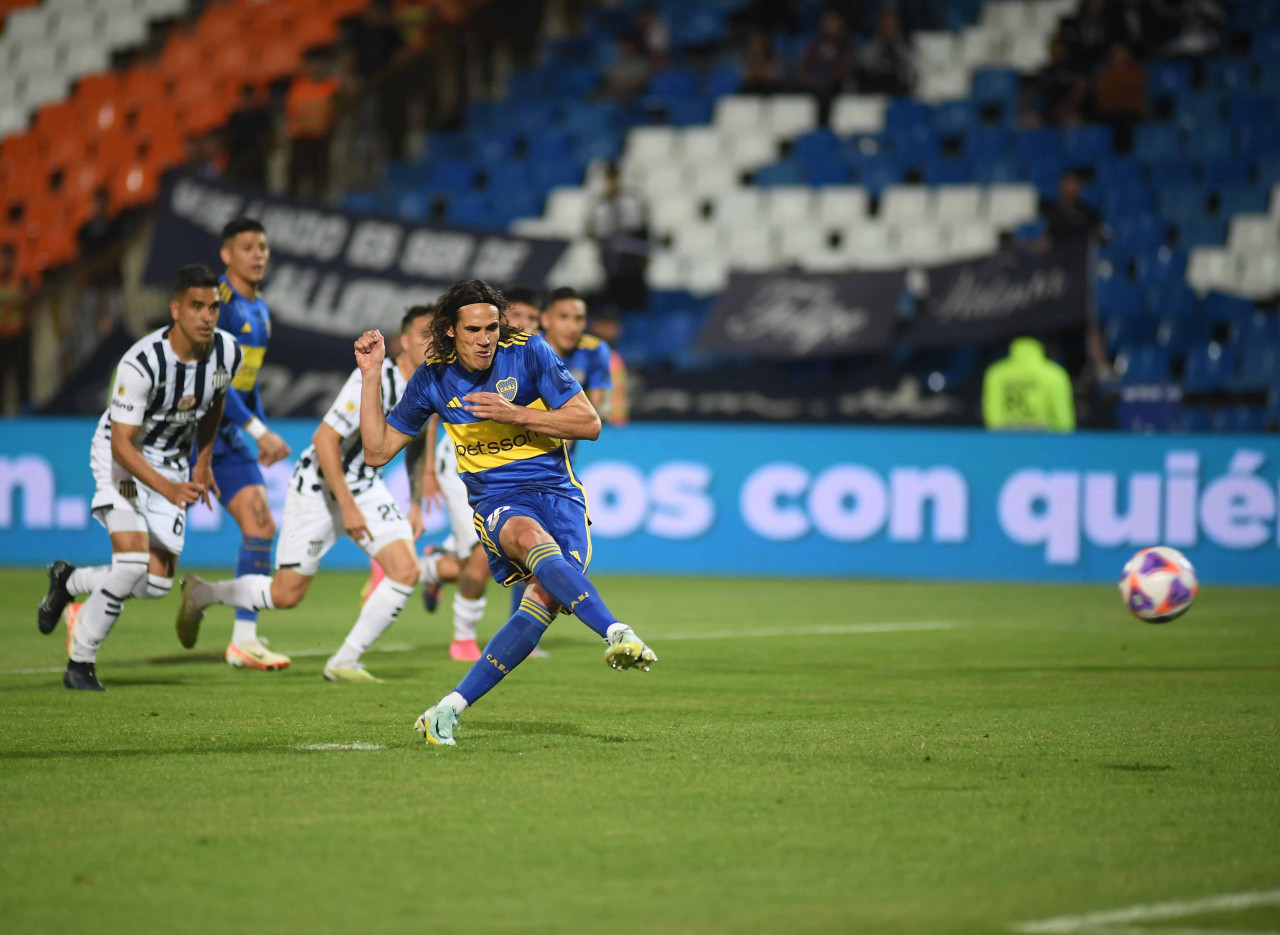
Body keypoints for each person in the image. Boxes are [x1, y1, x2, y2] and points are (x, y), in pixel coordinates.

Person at [353, 279, 657, 747]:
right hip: (498, 498)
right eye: (472, 329)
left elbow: (589, 423)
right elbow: (376, 451)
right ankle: (618, 631)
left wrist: (515, 413)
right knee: (532, 541)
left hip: (559, 494)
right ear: (450, 331)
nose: (484, 338)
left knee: (538, 611)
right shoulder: (433, 378)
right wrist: (371, 375)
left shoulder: (530, 353)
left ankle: (445, 711)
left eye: (492, 327)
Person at [174, 305, 435, 683]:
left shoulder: (428, 385)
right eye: (424, 334)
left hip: (362, 485)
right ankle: (204, 594)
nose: (432, 342)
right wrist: (345, 506)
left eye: (437, 334)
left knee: (405, 570)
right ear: (404, 341)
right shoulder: (374, 378)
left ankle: (344, 661)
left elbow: (418, 440)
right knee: (286, 594)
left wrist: (414, 504)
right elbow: (325, 440)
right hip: (320, 486)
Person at [37, 265, 239, 691]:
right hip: (123, 457)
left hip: (170, 463)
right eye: (197, 307)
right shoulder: (142, 362)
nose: (207, 317)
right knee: (130, 563)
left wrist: (202, 463)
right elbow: (123, 444)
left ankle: (68, 581)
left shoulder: (227, 353)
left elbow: (214, 402)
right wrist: (168, 487)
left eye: (214, 308)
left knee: (156, 584)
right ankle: (81, 663)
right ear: (176, 309)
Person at [209, 218, 293, 669]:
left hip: (227, 436)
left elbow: (246, 384)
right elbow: (214, 387)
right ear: (227, 254)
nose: (258, 254)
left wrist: (258, 427)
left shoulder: (260, 310)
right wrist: (259, 432)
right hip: (187, 436)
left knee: (261, 526)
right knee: (151, 566)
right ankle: (83, 592)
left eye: (263, 246)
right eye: (248, 247)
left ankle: (244, 639)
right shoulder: (217, 306)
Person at [589, 163, 649, 313]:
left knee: (635, 302)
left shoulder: (632, 202)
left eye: (615, 178)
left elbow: (642, 229)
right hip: (611, 262)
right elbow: (592, 231)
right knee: (613, 303)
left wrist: (645, 254)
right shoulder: (598, 205)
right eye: (609, 179)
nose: (612, 183)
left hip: (632, 260)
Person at [982, 336, 1076, 432]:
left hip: (1004, 442)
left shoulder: (996, 373)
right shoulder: (1056, 374)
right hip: (1045, 443)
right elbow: (1064, 423)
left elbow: (992, 419)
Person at [285, 50, 342, 198]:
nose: (315, 67)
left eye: (319, 63)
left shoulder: (332, 86)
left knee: (319, 179)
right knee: (295, 178)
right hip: (299, 138)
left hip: (321, 139)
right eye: (312, 63)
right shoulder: (296, 87)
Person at [797, 10, 856, 126]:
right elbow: (804, 66)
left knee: (826, 91)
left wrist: (829, 77)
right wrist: (810, 79)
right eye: (829, 24)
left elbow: (847, 67)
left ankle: (823, 125)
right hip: (815, 83)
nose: (832, 27)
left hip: (835, 83)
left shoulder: (845, 45)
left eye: (835, 24)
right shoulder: (815, 45)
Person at [858, 6, 915, 97]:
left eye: (892, 23)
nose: (889, 27)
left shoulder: (905, 45)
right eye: (886, 24)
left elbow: (910, 72)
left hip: (899, 90)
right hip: (877, 88)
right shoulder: (873, 46)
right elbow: (866, 65)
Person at [1042, 170, 1105, 246]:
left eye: (1075, 185)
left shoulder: (1090, 215)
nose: (1071, 189)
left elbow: (1100, 236)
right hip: (1055, 254)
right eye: (1067, 185)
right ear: (1060, 187)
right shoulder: (1049, 211)